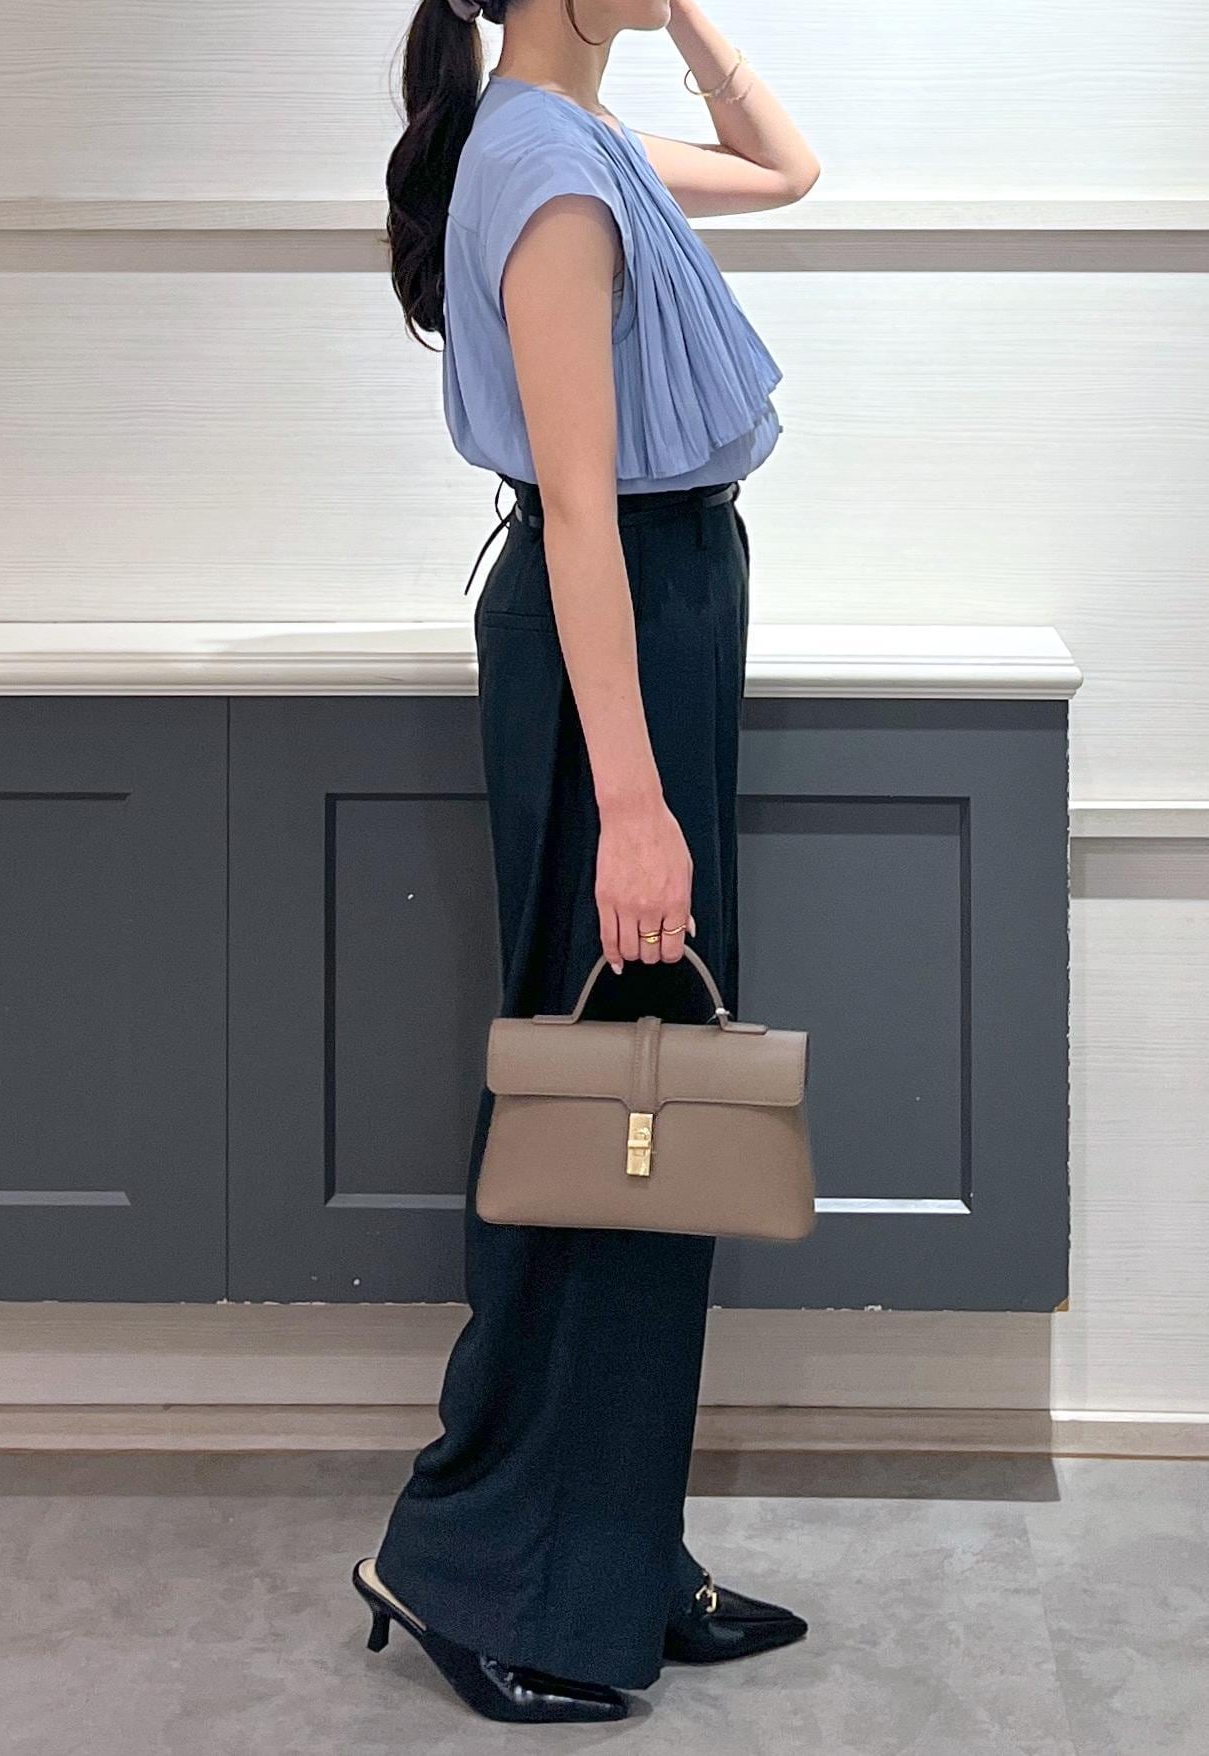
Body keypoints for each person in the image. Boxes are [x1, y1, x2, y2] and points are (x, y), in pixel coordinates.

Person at [352, 0, 821, 1725]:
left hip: (656, 613)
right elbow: (574, 509)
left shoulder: (581, 139)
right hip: (606, 636)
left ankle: (612, 1547)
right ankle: (474, 1559)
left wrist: (677, 15)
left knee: (648, 1113)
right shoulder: (548, 170)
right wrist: (631, 802)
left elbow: (786, 168)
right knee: (602, 1108)